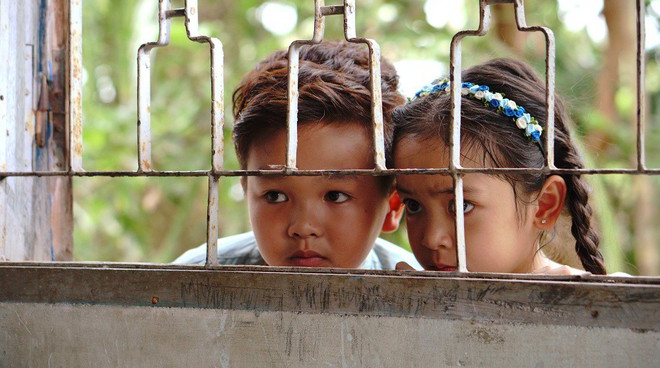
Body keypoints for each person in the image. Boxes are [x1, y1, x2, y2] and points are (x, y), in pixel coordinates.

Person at [174, 41, 420, 270]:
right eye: (275, 196)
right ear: (247, 192)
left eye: (335, 196)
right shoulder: (192, 277)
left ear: (392, 208)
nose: (303, 228)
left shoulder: (423, 292)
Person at [392, 58, 607, 275]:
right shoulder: (409, 299)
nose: (431, 239)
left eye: (461, 206)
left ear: (544, 204)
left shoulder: (596, 302)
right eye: (413, 205)